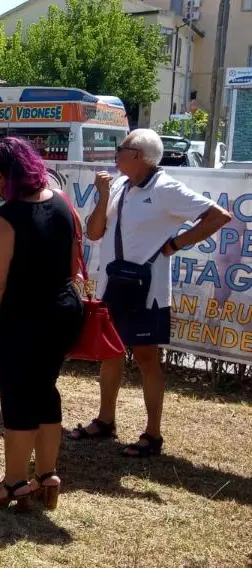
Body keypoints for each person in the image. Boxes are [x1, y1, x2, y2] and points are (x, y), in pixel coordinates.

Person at [70, 129, 230, 457]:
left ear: (139, 156)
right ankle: (105, 421)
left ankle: (152, 435)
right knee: (110, 353)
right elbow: (95, 231)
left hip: (147, 290)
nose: (115, 154)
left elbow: (218, 216)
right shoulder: (116, 185)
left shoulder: (166, 187)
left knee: (146, 359)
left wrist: (175, 244)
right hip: (112, 285)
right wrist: (102, 197)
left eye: (121, 149)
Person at [0, 137, 85, 510]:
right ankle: (47, 475)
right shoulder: (64, 204)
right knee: (45, 389)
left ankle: (14, 482)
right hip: (63, 309)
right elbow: (73, 267)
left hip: (20, 316)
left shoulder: (6, 218)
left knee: (18, 398)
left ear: (2, 175)